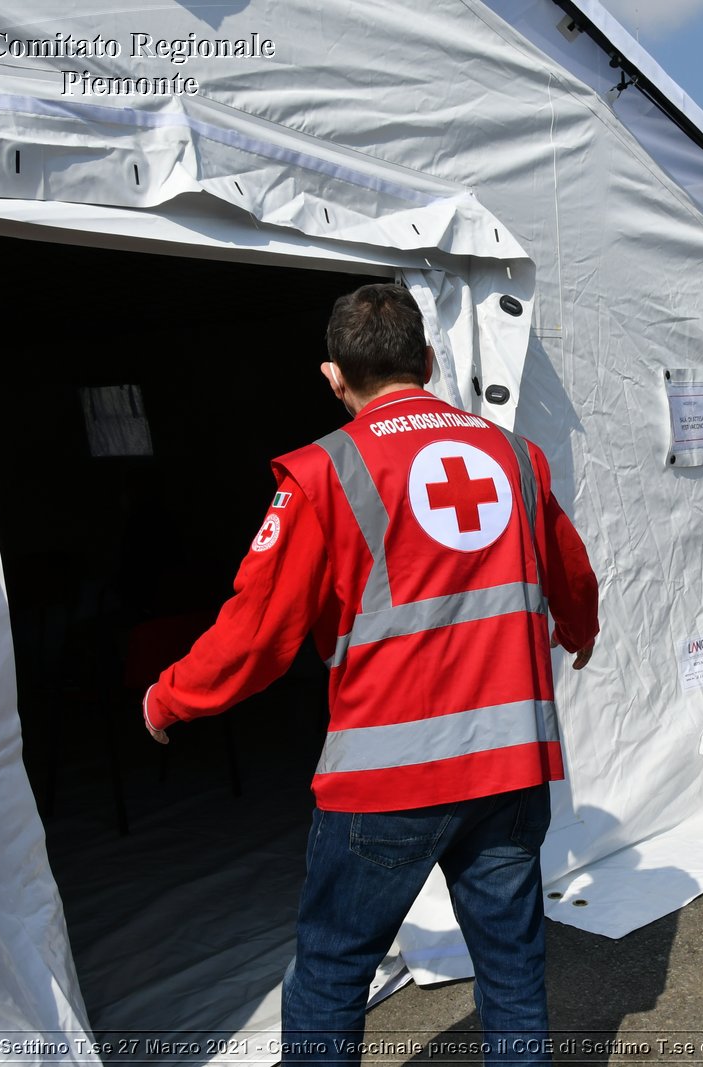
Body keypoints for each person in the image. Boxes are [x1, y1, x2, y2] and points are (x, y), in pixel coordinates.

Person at [141, 282, 600, 1065]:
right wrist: (578, 630)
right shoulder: (515, 455)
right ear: (426, 361)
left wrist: (170, 696)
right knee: (514, 966)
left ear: (333, 375)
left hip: (388, 782)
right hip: (511, 766)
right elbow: (572, 573)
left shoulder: (325, 473)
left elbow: (256, 635)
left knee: (330, 973)